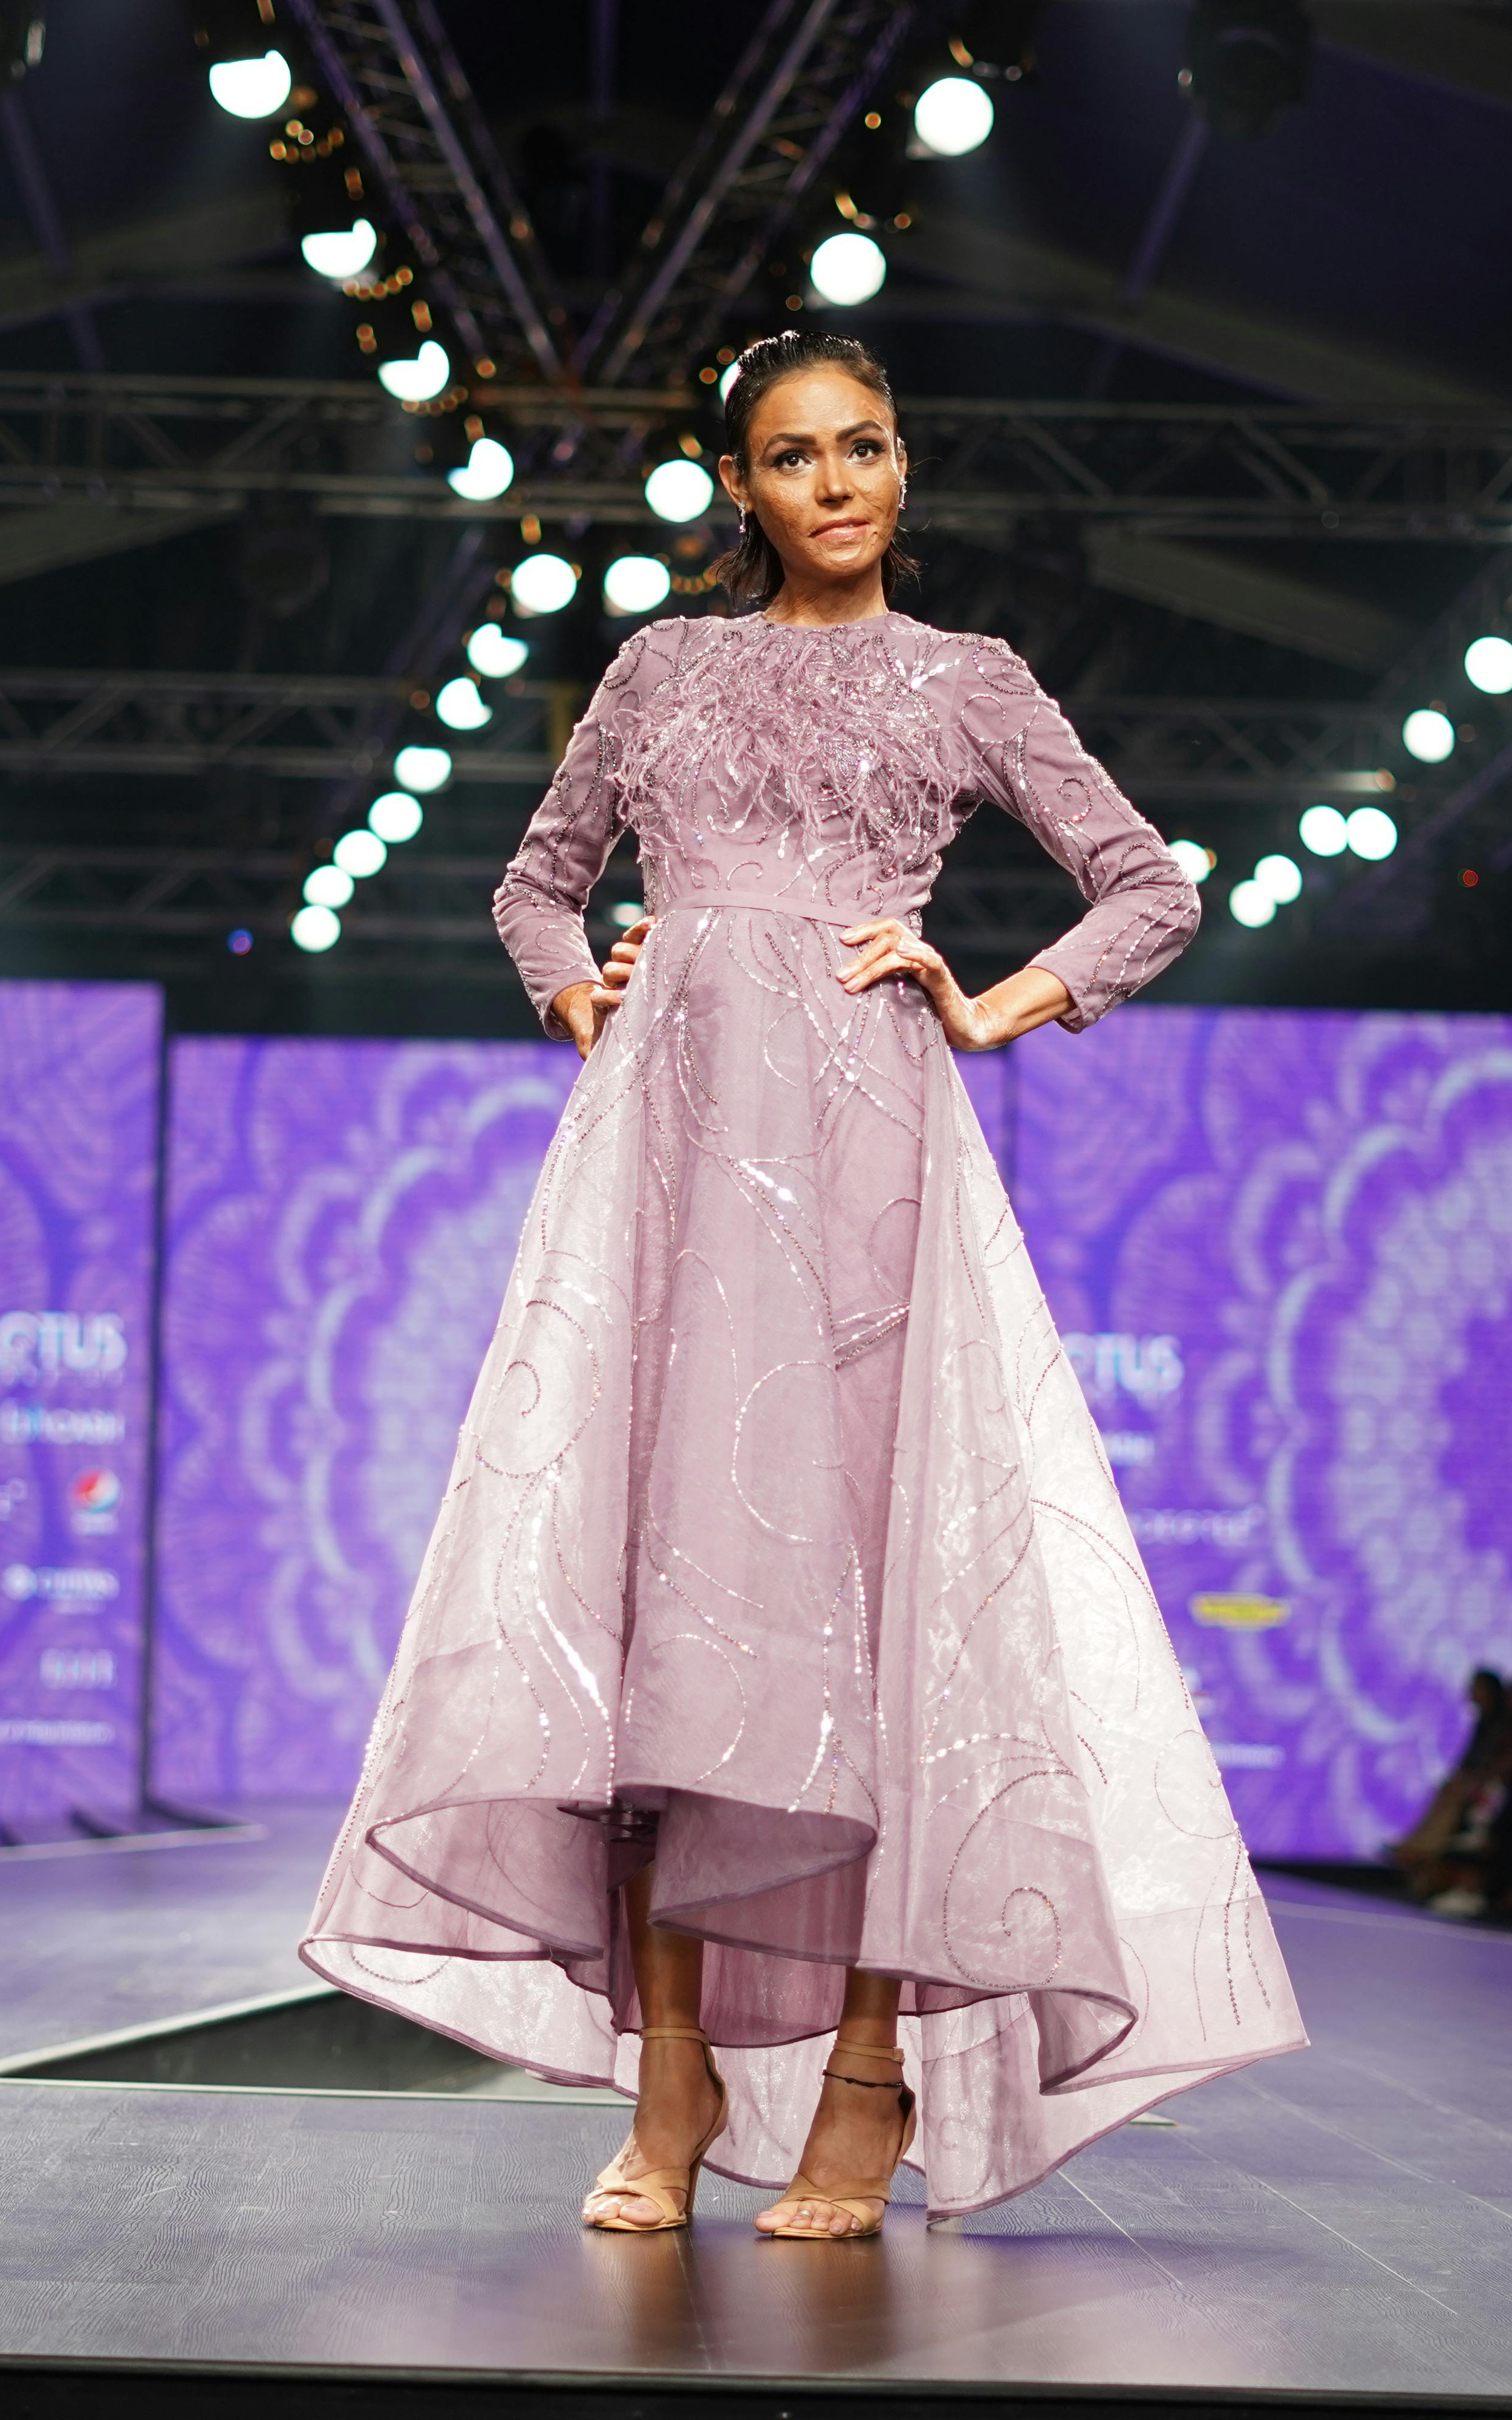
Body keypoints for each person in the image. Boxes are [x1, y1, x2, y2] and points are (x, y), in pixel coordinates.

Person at [302, 329, 1305, 2240]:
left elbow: (1151, 884)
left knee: (860, 1625)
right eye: (790, 456)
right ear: (738, 486)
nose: (834, 484)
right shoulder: (664, 669)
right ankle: (666, 2094)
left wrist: (994, 1001)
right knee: (666, 1619)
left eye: (862, 448)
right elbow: (533, 880)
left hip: (863, 1165)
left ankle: (871, 2083)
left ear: (903, 468)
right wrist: (584, 988)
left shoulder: (969, 680)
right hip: (669, 1172)